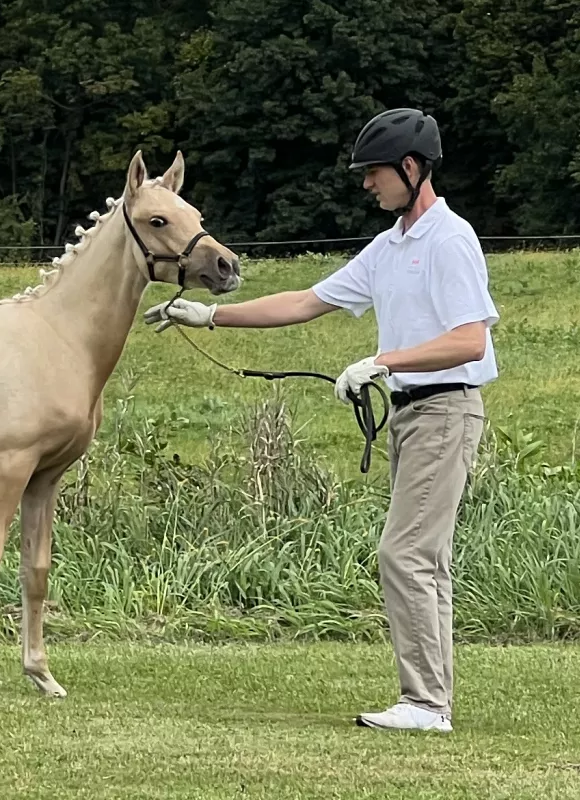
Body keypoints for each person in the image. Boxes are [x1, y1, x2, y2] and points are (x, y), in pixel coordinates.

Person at [144, 108, 499, 733]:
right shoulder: (390, 248)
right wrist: (208, 315)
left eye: (375, 173)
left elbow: (470, 340)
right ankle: (431, 700)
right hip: (413, 417)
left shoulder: (450, 239)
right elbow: (306, 301)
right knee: (425, 559)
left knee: (405, 553)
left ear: (411, 169)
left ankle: (424, 705)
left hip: (446, 408)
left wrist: (381, 361)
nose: (367, 184)